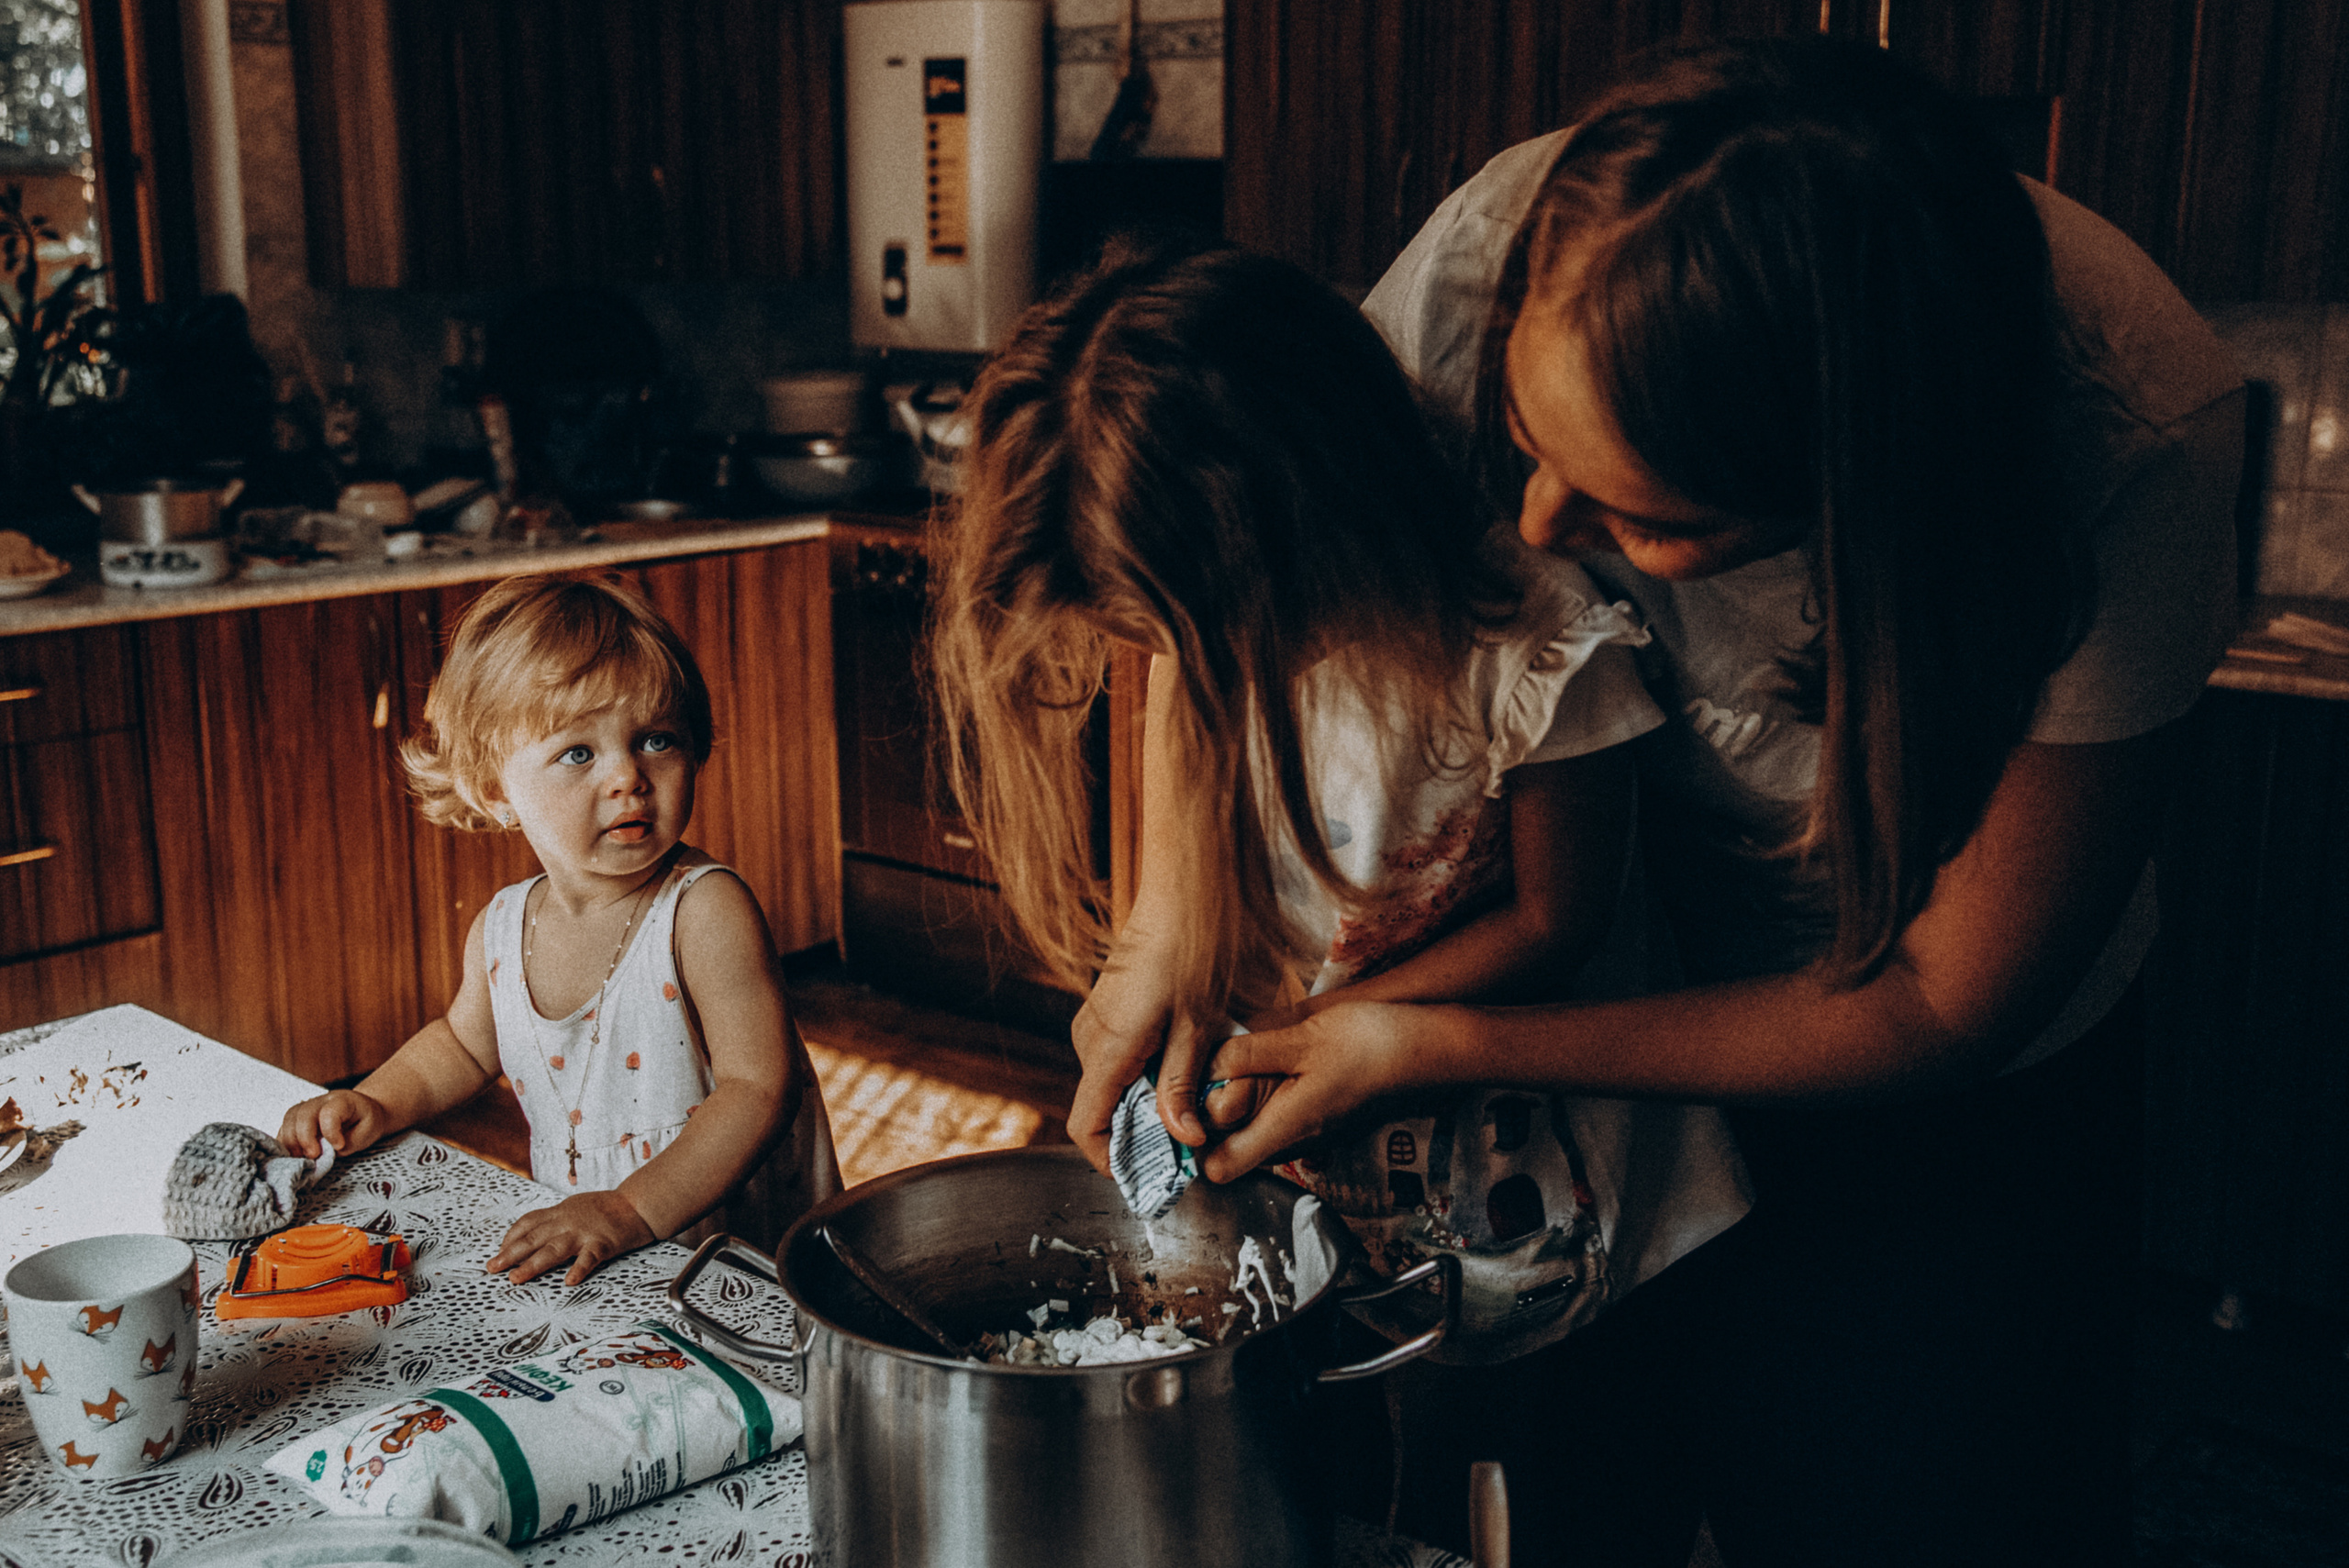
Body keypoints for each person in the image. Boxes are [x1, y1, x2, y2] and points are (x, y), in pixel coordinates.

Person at [1193, 37, 2245, 1568]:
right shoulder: (1521, 239)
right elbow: (1230, 541)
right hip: (1620, 995)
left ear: (1854, 499)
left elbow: (1943, 1005)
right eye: (1534, 448)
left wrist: (1422, 1036)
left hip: (1958, 1104)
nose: (1541, 527)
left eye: (1643, 516)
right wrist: (1167, 925)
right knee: (1580, 1487)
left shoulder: (2131, 435)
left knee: (1907, 1499)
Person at [930, 239, 1750, 1368]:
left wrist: (1320, 1035)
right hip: (1347, 1180)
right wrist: (1144, 972)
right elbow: (1181, 885)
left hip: (1568, 1205)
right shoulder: (1207, 640)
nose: (1194, 668)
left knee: (1558, 1479)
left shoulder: (1532, 648)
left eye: (1205, 635)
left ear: (1320, 511)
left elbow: (1561, 920)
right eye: (1166, 644)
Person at [280, 575, 840, 1285]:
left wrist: (630, 1209)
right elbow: (459, 1044)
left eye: (656, 739)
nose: (629, 777)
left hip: (729, 1247)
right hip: (596, 1236)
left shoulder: (704, 910)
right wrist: (378, 1099)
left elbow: (760, 1088)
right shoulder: (502, 929)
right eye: (579, 753)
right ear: (494, 790)